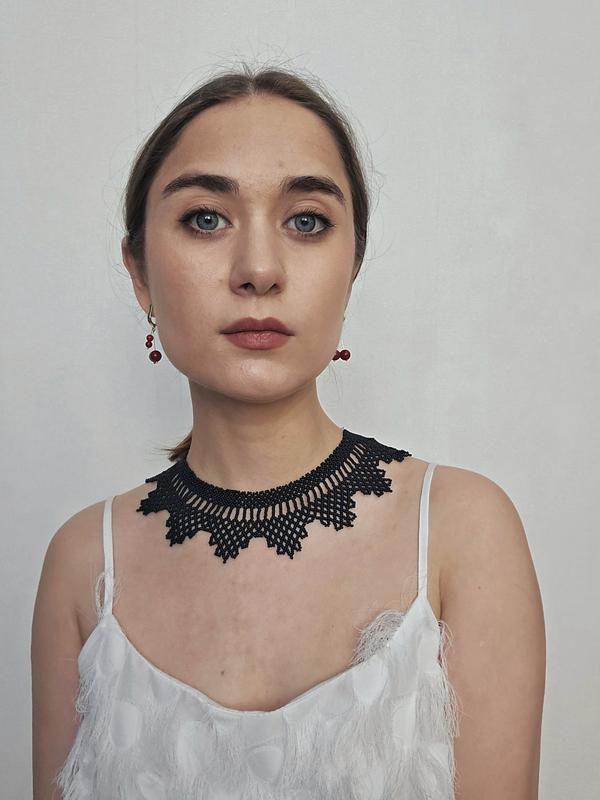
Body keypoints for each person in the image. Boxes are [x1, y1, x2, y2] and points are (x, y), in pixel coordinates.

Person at [31, 64, 546, 799]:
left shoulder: (462, 531)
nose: (258, 270)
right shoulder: (84, 563)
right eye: (205, 218)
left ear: (351, 267)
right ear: (139, 273)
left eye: (306, 221)